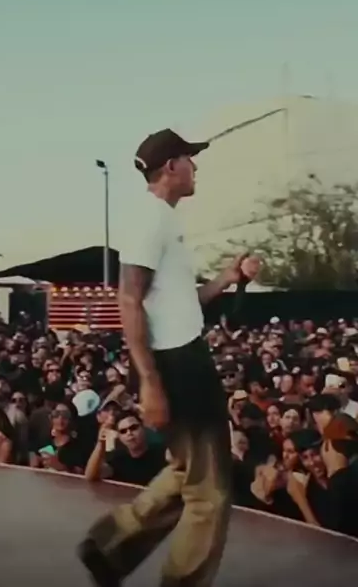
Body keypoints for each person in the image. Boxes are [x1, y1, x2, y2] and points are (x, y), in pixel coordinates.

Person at [78, 128, 259, 587]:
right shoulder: (150, 220)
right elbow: (128, 299)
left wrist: (227, 279)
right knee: (210, 493)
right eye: (189, 159)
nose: (195, 167)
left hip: (183, 357)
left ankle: (109, 546)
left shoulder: (163, 220)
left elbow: (177, 304)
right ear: (170, 167)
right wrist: (150, 382)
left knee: (187, 471)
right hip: (178, 366)